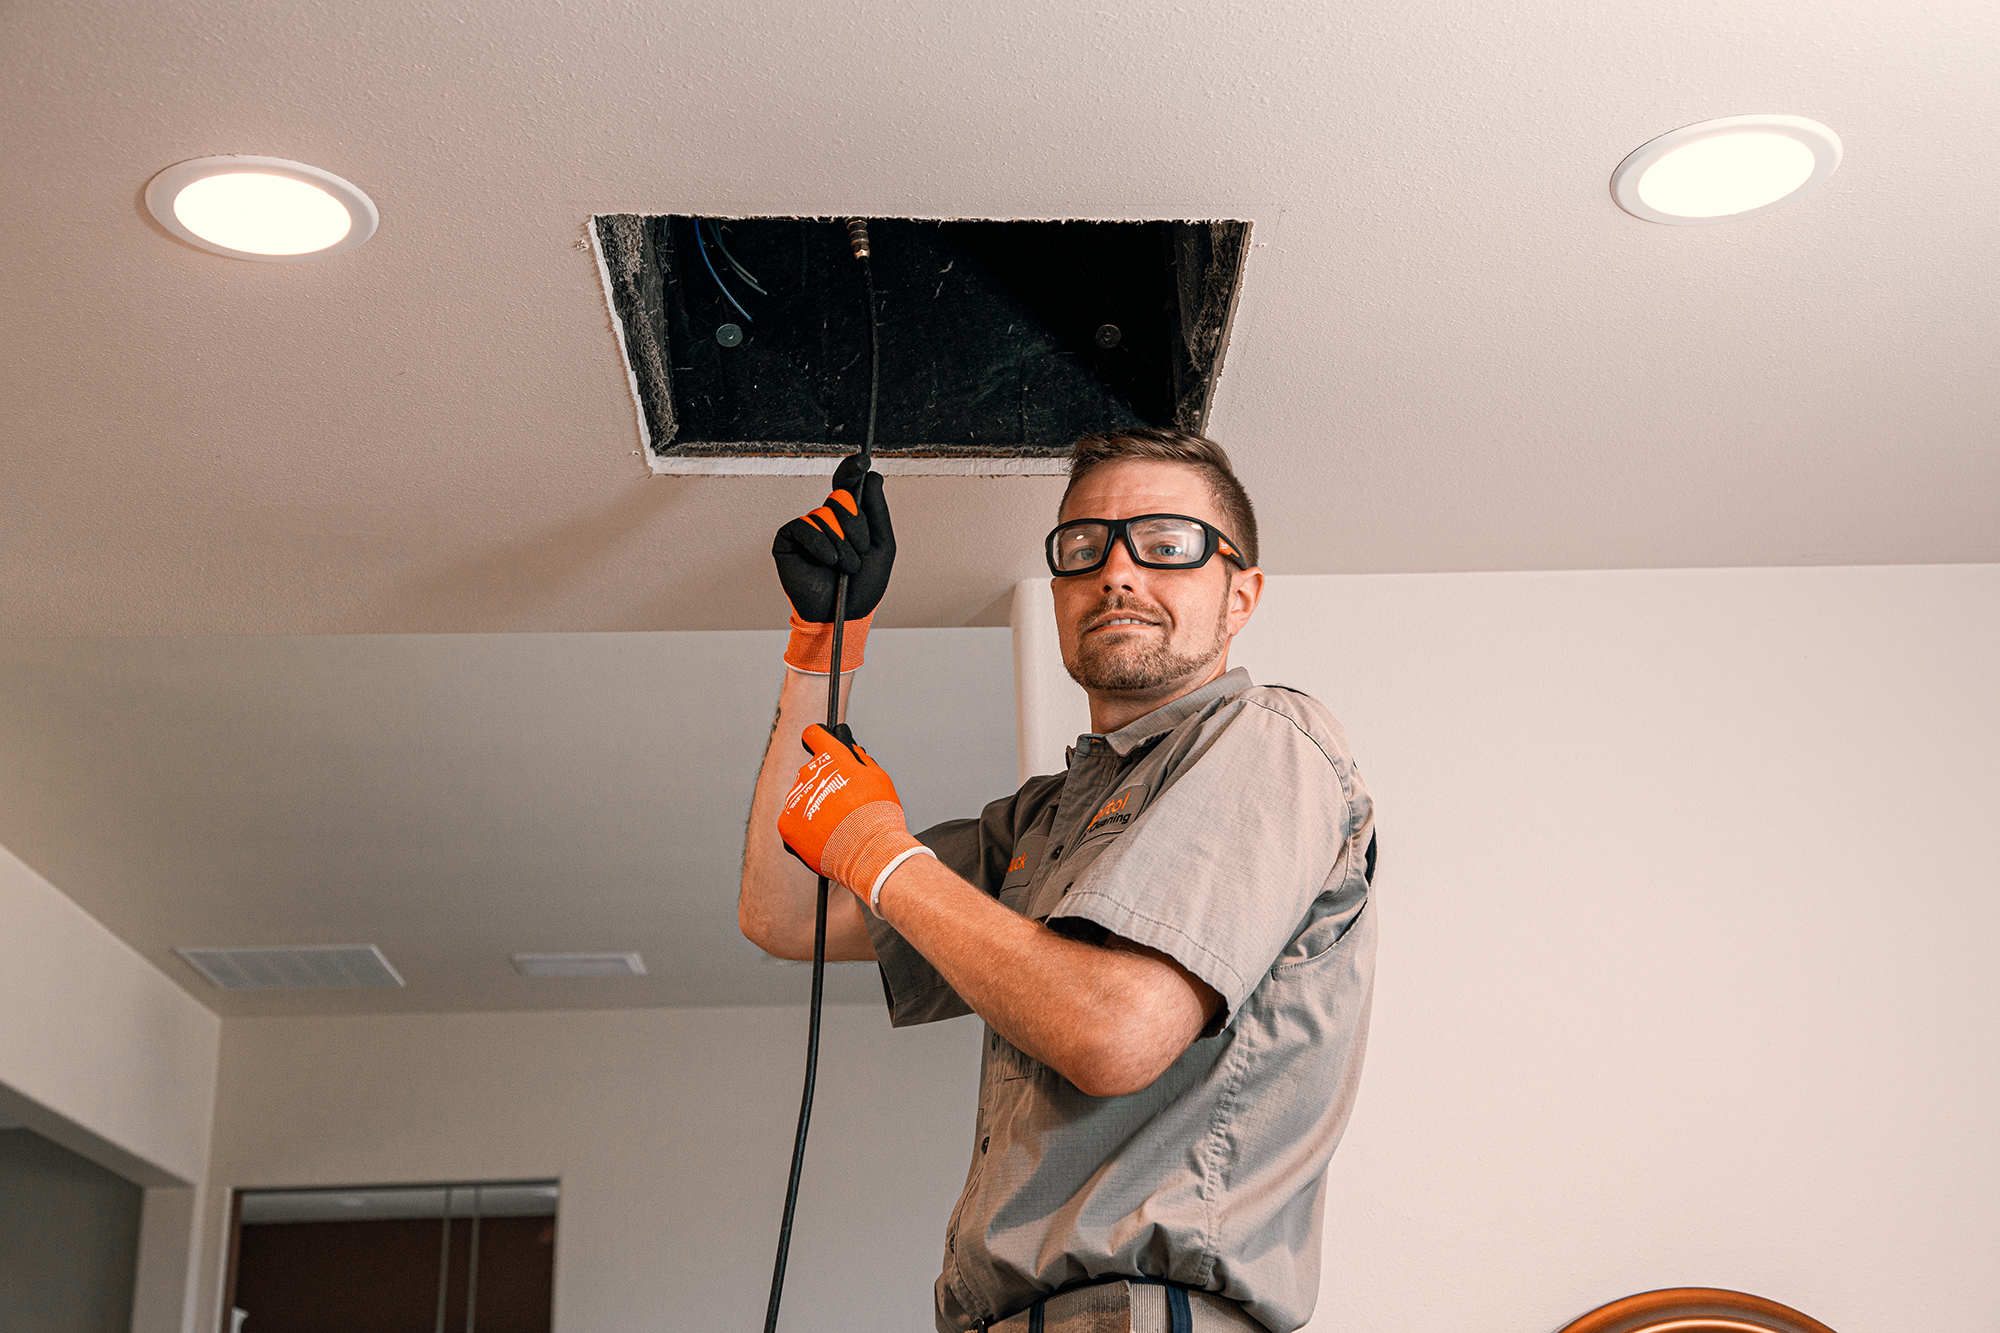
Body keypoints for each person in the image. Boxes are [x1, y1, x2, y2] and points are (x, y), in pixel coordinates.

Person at [740, 428, 1375, 1333]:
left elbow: (1115, 1033)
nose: (1117, 572)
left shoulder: (1270, 740)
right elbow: (778, 912)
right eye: (1085, 548)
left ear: (1241, 595)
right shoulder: (1042, 823)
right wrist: (822, 647)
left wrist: (878, 850)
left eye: (1165, 545)